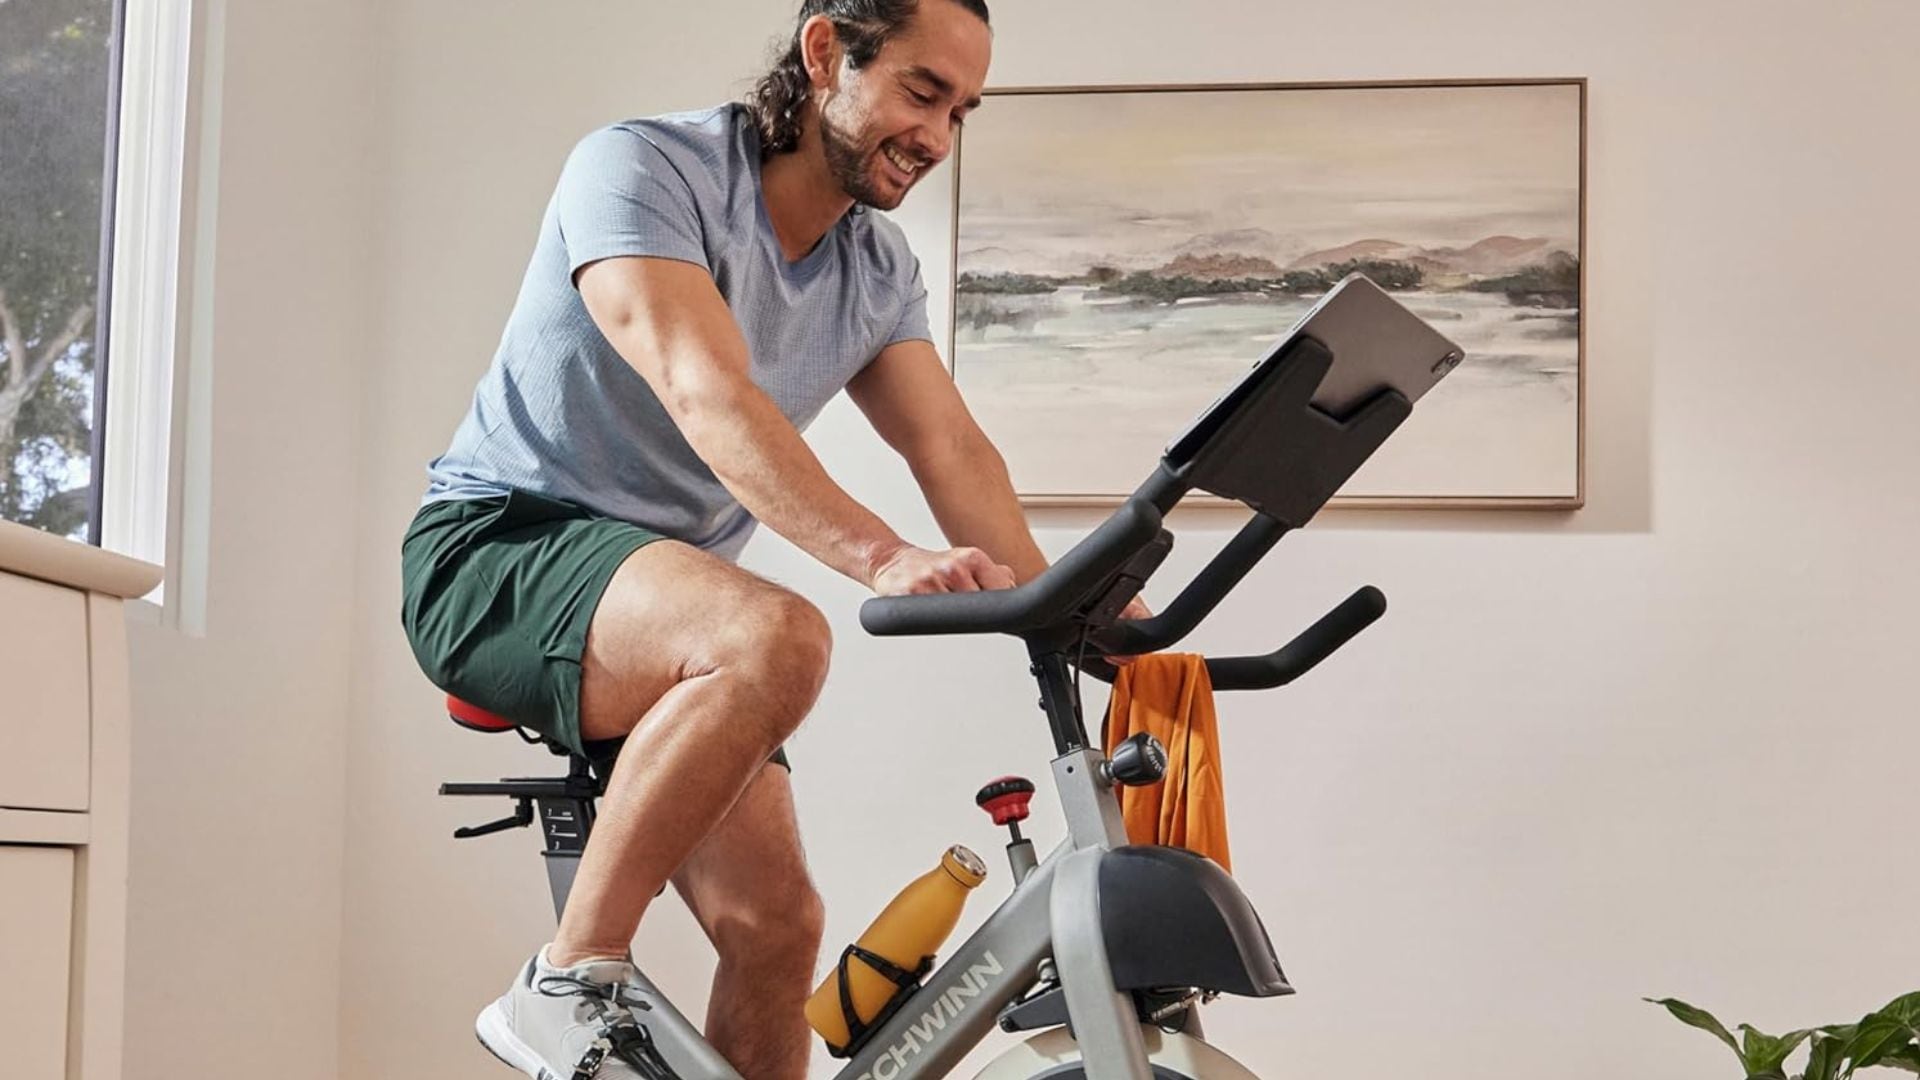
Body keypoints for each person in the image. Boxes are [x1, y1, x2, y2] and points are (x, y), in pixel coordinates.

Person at [401, 1, 1141, 1076]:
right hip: (498, 554)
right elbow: (707, 391)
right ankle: (568, 976)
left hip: (664, 609)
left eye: (962, 113)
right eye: (922, 94)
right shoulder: (643, 169)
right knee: (778, 638)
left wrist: (1073, 604)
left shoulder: (875, 271)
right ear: (827, 51)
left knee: (777, 932)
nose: (937, 138)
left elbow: (951, 449)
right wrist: (883, 556)